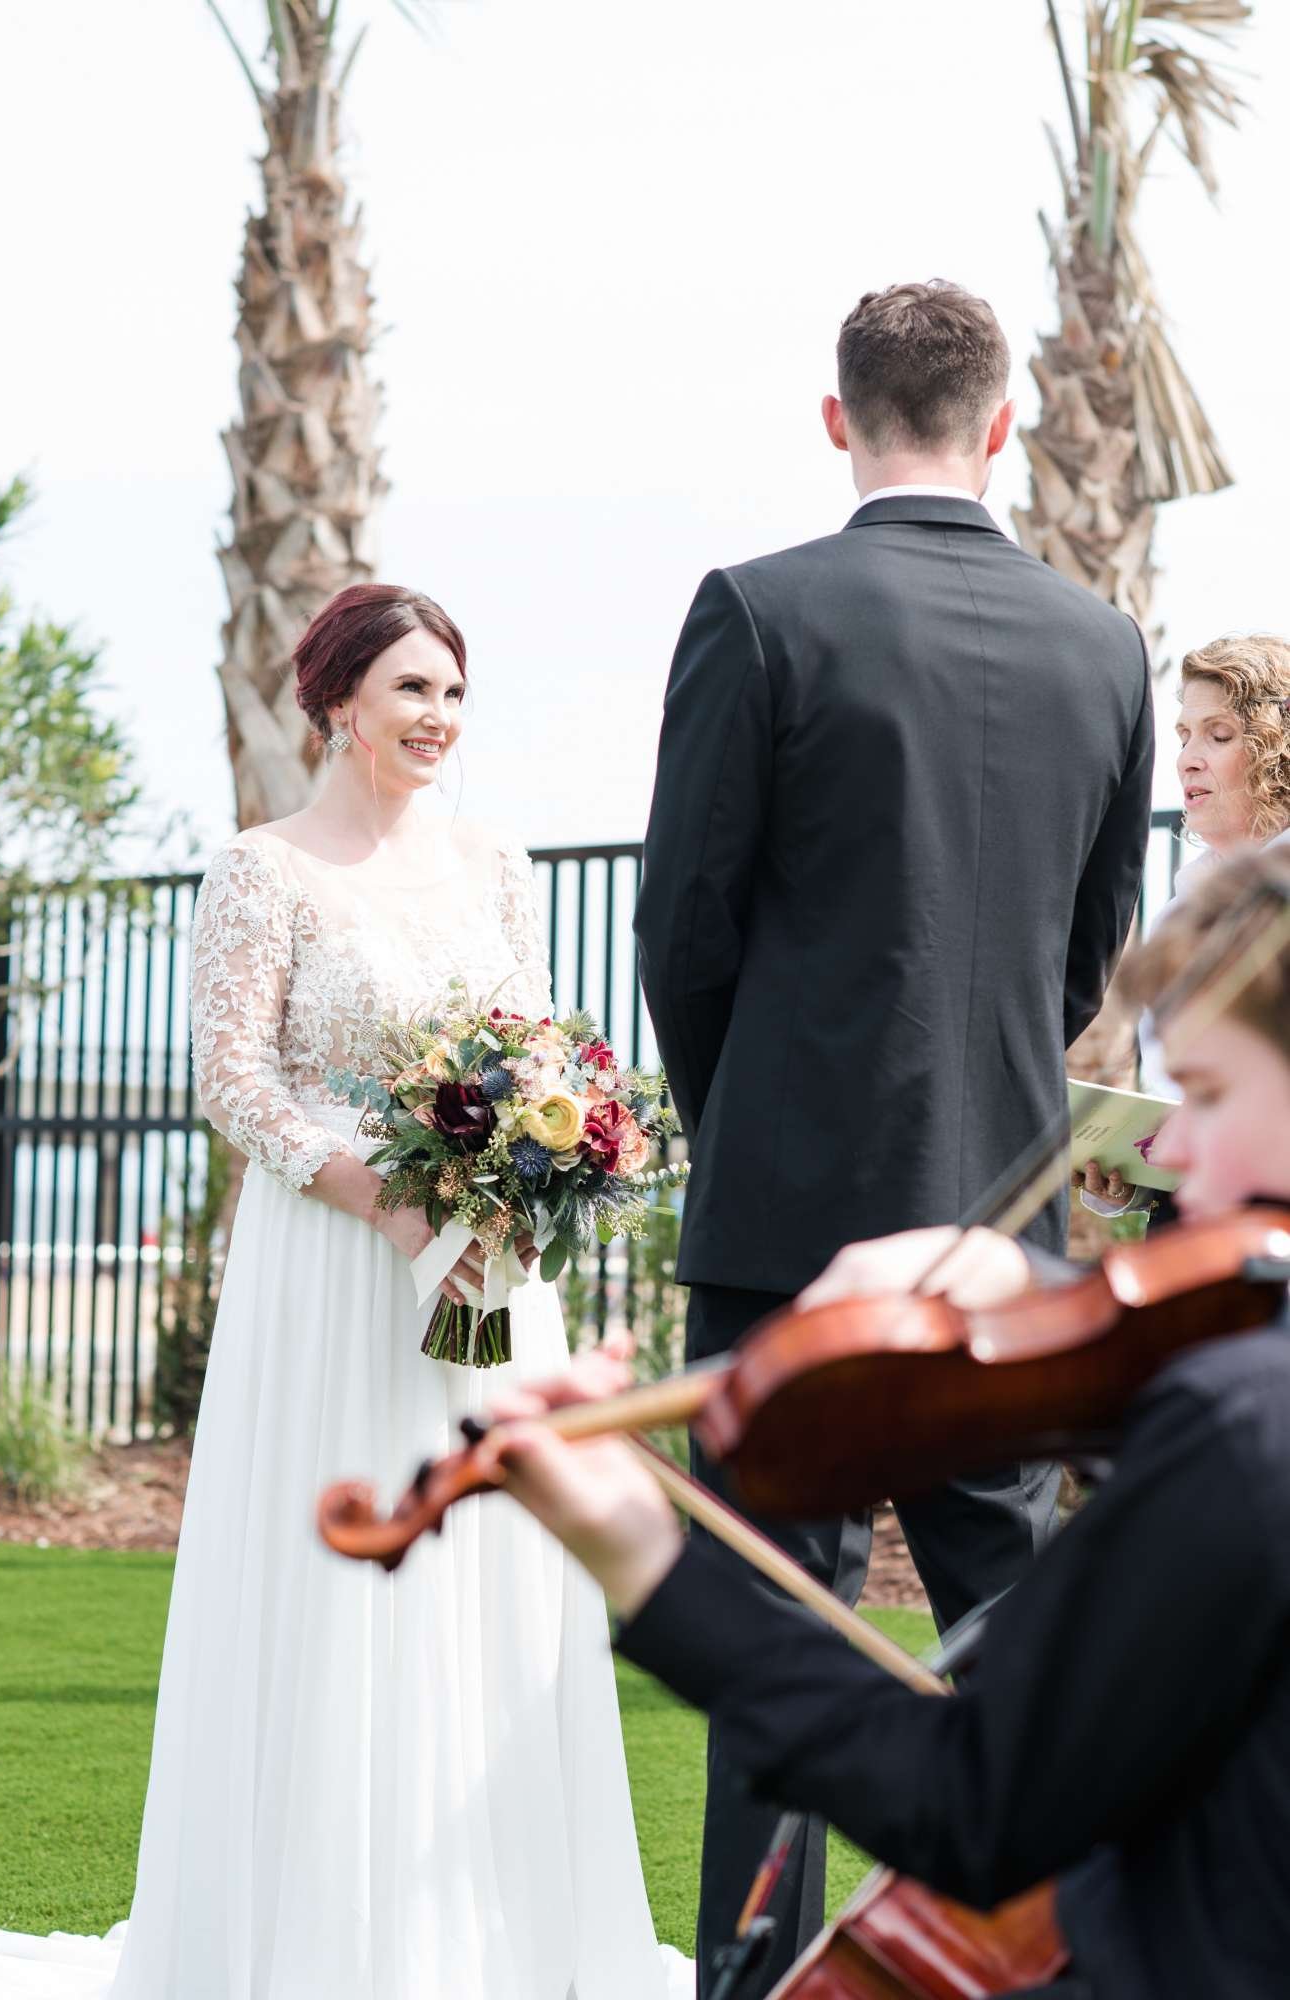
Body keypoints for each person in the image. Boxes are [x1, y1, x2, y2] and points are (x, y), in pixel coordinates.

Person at [0, 585, 689, 1999]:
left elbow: (532, 1044)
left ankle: (502, 1939)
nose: (437, 720)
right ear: (338, 701)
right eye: (411, 690)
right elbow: (232, 1079)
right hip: (331, 1265)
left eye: (454, 695)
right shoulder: (260, 870)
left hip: (488, 1262)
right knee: (341, 1576)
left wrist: (543, 1164)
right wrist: (375, 1189)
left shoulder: (494, 863)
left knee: (493, 1564)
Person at [492, 839, 1290, 2000]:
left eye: (1209, 1093)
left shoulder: (1238, 1424)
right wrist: (1038, 1294)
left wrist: (651, 1558)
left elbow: (975, 1805)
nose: (1168, 1147)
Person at [632, 279, 1154, 1993]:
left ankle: (754, 1971)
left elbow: (684, 934)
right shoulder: (1102, 644)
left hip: (787, 1220)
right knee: (1015, 1618)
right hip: (1009, 1230)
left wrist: (753, 1132)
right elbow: (1095, 944)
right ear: (1001, 424)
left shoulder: (760, 612)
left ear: (837, 417)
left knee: (774, 1620)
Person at [1076, 630, 1290, 1217]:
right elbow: (1176, 1102)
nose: (1187, 758)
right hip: (1190, 1223)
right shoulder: (1182, 903)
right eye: (1183, 735)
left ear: (1278, 752)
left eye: (1218, 735)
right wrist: (1131, 1180)